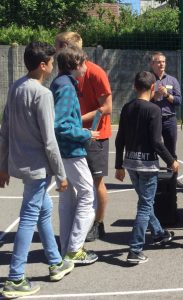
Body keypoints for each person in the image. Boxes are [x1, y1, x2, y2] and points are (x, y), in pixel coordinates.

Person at [0, 42, 74, 298]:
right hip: (38, 169)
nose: (53, 66)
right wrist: (62, 175)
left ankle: (54, 262)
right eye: (51, 62)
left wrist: (3, 165)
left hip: (21, 163)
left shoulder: (16, 87)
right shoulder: (42, 94)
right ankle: (15, 278)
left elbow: (5, 128)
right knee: (29, 217)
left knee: (44, 210)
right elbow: (49, 140)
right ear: (43, 65)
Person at [115, 71, 178, 264]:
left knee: (145, 201)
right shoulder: (154, 110)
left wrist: (119, 165)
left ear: (135, 87)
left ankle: (158, 233)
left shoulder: (126, 108)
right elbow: (157, 142)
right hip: (148, 166)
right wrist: (171, 161)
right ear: (153, 88)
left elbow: (120, 139)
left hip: (131, 164)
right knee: (144, 206)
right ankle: (135, 250)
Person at [55, 32, 112, 242]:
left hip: (95, 135)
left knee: (95, 184)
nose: (56, 48)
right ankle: (73, 236)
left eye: (59, 45)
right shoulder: (64, 80)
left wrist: (76, 121)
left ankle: (98, 224)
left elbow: (107, 108)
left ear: (70, 49)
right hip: (77, 136)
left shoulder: (95, 73)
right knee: (73, 189)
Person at [51, 46, 99, 264]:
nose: (86, 67)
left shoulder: (60, 83)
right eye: (83, 63)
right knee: (88, 196)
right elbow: (60, 124)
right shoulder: (67, 88)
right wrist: (85, 133)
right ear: (75, 66)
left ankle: (66, 248)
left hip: (62, 151)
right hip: (71, 150)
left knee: (68, 199)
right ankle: (74, 248)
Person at [150, 52, 183, 188]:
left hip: (169, 119)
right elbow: (143, 97)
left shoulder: (172, 80)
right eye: (158, 62)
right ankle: (153, 179)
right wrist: (155, 95)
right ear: (152, 64)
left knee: (171, 150)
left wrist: (166, 94)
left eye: (163, 61)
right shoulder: (148, 79)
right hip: (153, 120)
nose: (161, 64)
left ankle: (173, 178)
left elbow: (178, 100)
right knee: (153, 149)